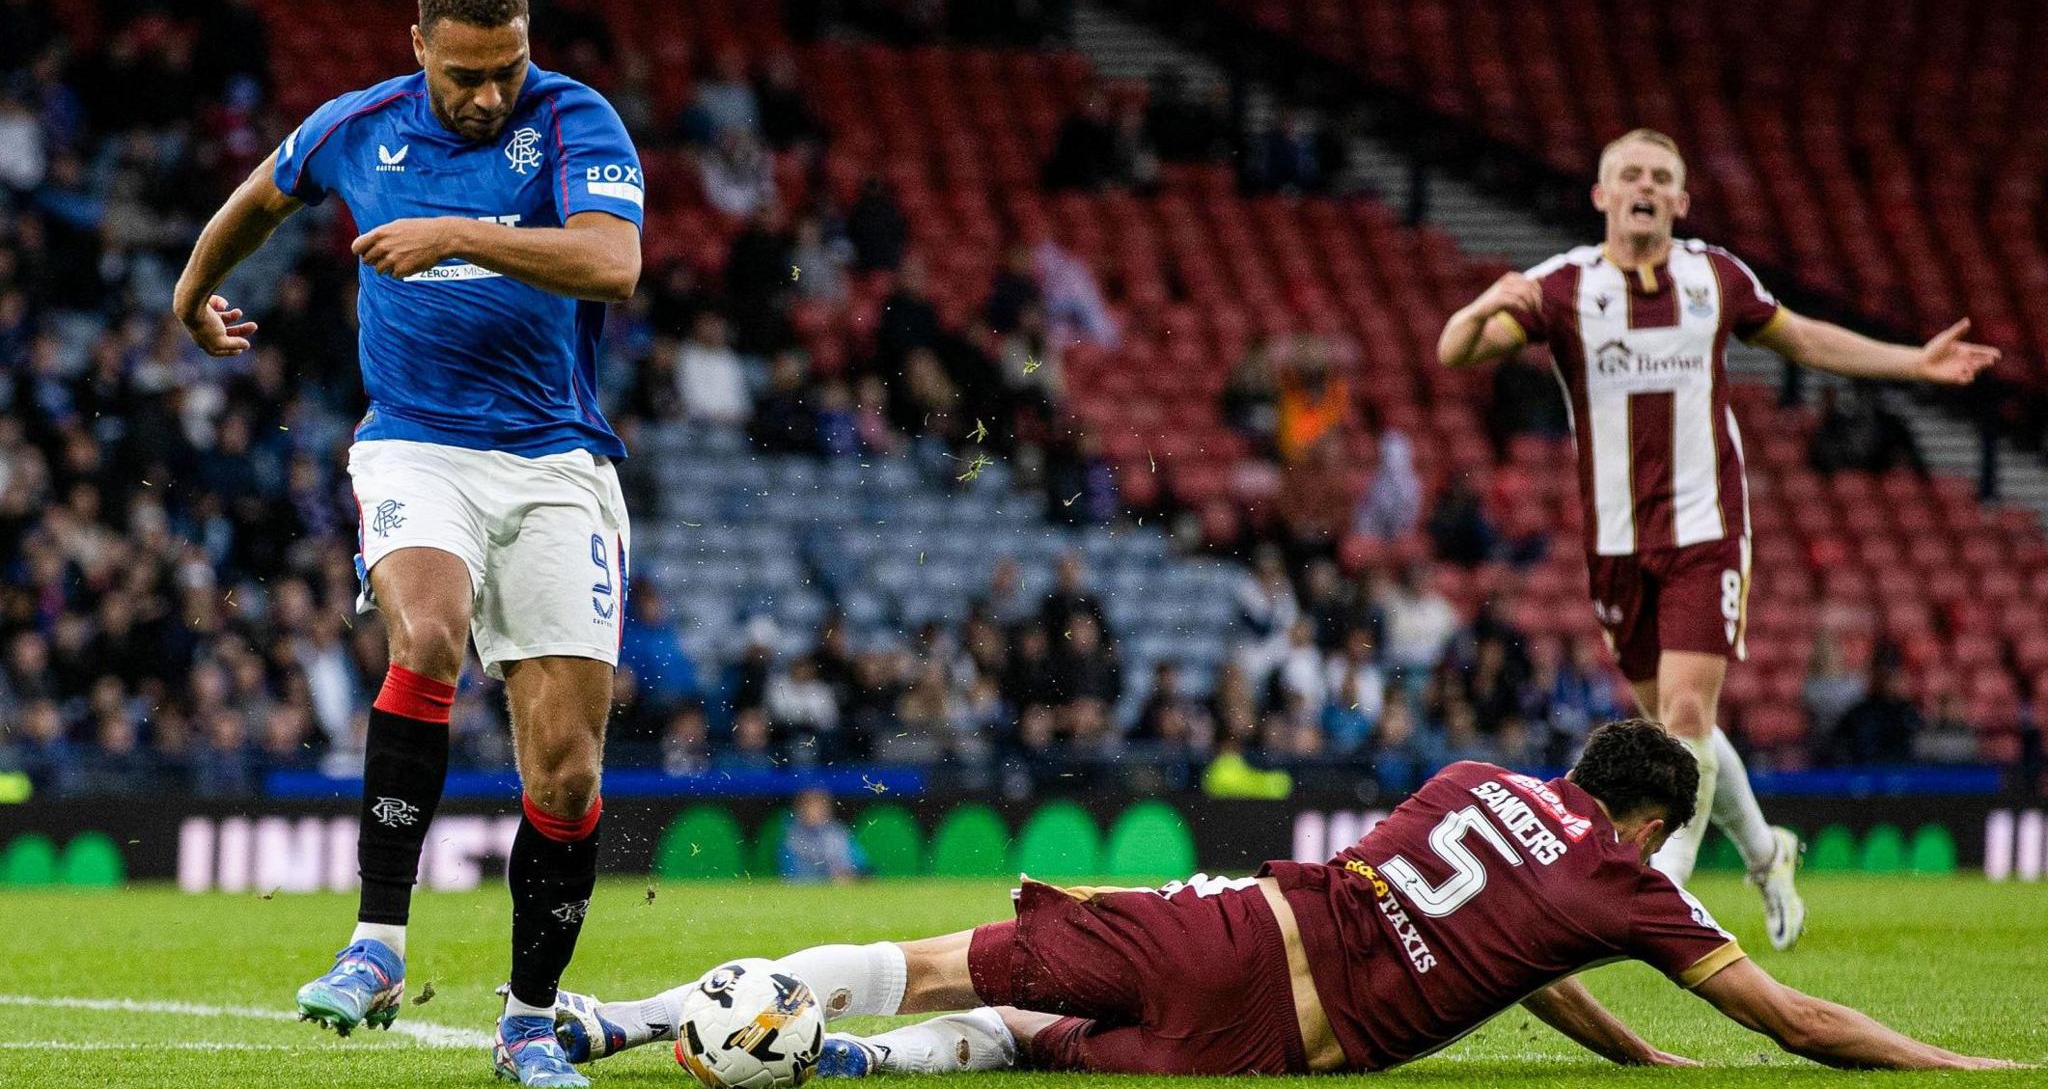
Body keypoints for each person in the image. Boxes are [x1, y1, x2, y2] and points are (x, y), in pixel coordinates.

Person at [169, 0, 644, 1086]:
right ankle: (377, 943)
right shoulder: (358, 124)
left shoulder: (574, 118)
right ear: (419, 44)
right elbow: (256, 201)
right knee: (425, 634)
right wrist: (190, 300)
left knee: (566, 774)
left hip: (555, 462)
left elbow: (612, 264)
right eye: (467, 73)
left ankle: (528, 1020)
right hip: (414, 442)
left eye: (508, 68)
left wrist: (458, 232)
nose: (489, 94)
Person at [546, 719, 2024, 1076]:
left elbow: (1513, 940)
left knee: (920, 959)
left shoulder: (1469, 773)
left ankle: (611, 1019)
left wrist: (1625, 1046)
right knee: (1021, 1041)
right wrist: (1958, 1060)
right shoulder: (1619, 883)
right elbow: (1799, 1016)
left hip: (1236, 913)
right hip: (1272, 1031)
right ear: (1648, 817)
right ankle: (847, 1063)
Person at [1435, 128, 2001, 950]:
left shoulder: (1714, 276)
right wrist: (1491, 299)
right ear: (1600, 195)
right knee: (1672, 721)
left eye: (1661, 176)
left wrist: (1914, 364)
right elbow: (1454, 352)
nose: (1645, 185)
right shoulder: (1562, 287)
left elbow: (1803, 338)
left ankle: (1663, 894)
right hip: (1616, 541)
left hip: (1706, 527)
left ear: (1681, 200)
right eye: (1628, 173)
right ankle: (1768, 852)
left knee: (1690, 712)